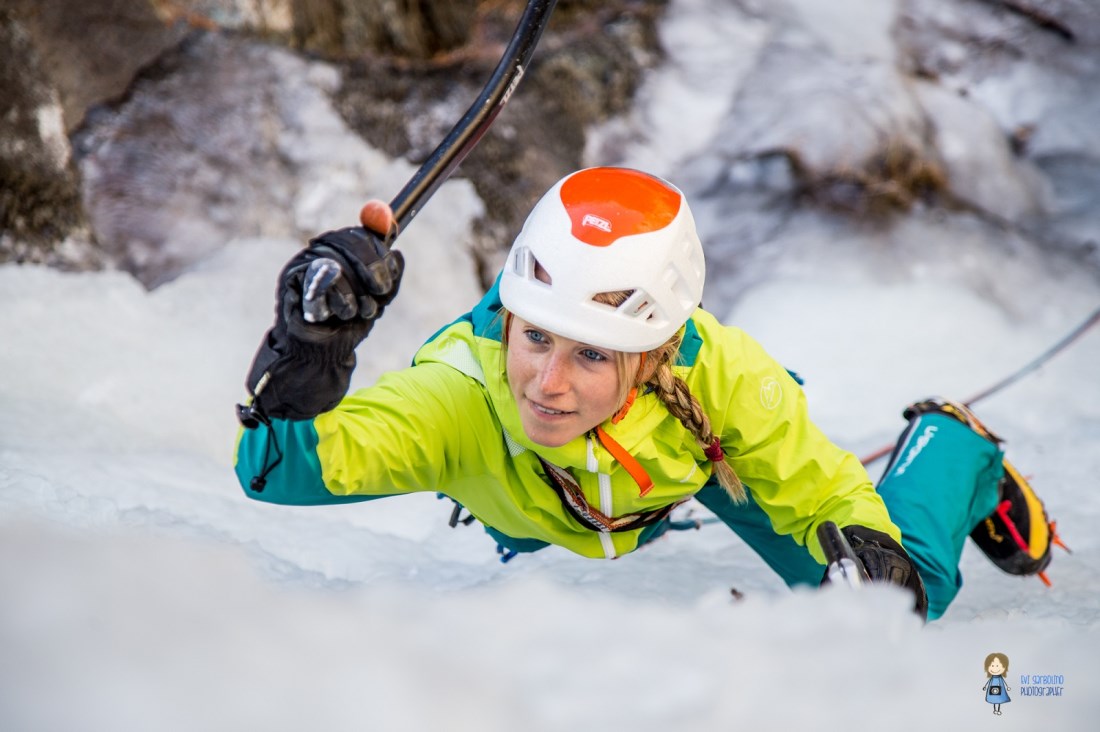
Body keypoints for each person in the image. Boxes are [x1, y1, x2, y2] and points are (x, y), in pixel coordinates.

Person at [235, 166, 1056, 621]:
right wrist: (306, 353)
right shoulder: (459, 404)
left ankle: (955, 449)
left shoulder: (725, 378)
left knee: (904, 609)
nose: (547, 385)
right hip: (565, 500)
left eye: (591, 354)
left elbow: (825, 497)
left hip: (695, 463)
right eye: (535, 338)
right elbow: (272, 471)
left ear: (657, 352)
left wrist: (870, 560)